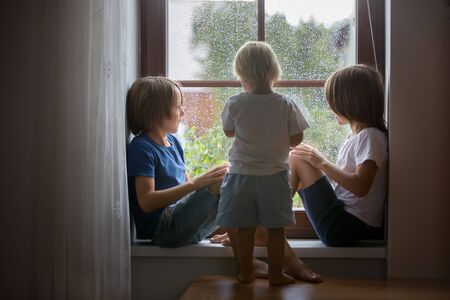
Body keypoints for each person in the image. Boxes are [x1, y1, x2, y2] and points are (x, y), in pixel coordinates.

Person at [216, 41, 309, 285]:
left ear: (242, 74)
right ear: (274, 71)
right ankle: (276, 274)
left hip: (241, 176)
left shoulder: (236, 103)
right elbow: (297, 137)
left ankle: (246, 271)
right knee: (276, 230)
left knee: (245, 228)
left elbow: (228, 132)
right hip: (274, 176)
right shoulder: (285, 103)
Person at [289, 64, 388, 247]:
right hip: (343, 222)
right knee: (300, 155)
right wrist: (317, 165)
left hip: (345, 226)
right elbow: (344, 185)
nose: (329, 108)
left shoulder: (371, 137)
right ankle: (270, 227)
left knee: (297, 157)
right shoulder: (358, 136)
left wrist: (321, 162)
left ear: (350, 101)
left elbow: (360, 187)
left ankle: (270, 228)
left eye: (333, 102)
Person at [126, 76, 228, 248]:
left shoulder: (174, 143)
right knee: (224, 178)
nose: (183, 113)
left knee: (232, 174)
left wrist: (201, 183)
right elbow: (146, 202)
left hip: (186, 227)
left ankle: (239, 235)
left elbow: (187, 189)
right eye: (178, 107)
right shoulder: (141, 148)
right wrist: (198, 182)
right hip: (163, 229)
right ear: (158, 111)